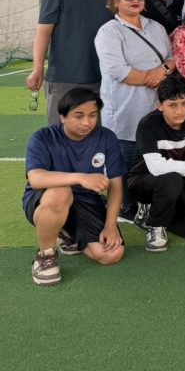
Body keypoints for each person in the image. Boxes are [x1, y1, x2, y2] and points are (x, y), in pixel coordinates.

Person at [23, 88, 125, 285]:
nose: (86, 122)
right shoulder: (43, 137)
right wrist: (80, 178)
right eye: (79, 116)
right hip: (46, 200)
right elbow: (36, 178)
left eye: (92, 115)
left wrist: (110, 225)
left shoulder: (106, 138)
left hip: (86, 200)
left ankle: (67, 232)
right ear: (63, 117)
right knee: (61, 193)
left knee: (111, 254)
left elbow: (116, 185)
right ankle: (45, 255)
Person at [94, 0, 176, 216]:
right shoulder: (109, 31)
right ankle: (124, 206)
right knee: (125, 160)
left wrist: (162, 71)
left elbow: (171, 59)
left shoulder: (156, 27)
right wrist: (153, 78)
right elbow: (118, 71)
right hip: (125, 108)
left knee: (152, 157)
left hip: (154, 106)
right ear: (115, 1)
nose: (135, 0)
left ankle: (147, 203)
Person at [126, 74, 185, 252]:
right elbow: (157, 167)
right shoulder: (148, 125)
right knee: (171, 178)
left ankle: (158, 211)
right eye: (172, 105)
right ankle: (155, 225)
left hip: (177, 181)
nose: (179, 111)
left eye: (184, 103)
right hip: (144, 181)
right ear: (160, 106)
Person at [27, 0, 111, 125]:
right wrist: (37, 68)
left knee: (96, 134)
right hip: (65, 78)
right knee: (61, 133)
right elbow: (43, 32)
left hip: (102, 79)